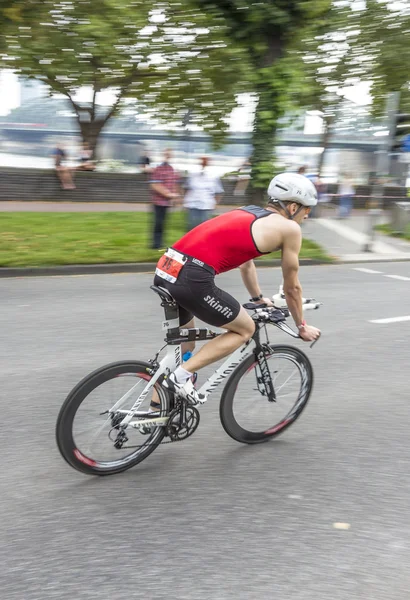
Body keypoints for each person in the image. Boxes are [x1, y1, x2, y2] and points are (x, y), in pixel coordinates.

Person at [151, 172, 321, 409]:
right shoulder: (289, 228)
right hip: (192, 276)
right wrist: (301, 326)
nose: (307, 214)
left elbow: (246, 262)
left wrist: (258, 299)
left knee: (185, 345)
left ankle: (153, 414)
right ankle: (178, 380)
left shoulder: (247, 211)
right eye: (306, 209)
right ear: (293, 206)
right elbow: (292, 287)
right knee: (245, 329)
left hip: (167, 266)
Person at [149, 148, 181, 250]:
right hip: (158, 201)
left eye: (169, 154)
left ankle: (160, 243)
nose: (168, 156)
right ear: (163, 155)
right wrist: (169, 194)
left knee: (163, 223)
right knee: (158, 223)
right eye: (166, 154)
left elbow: (174, 184)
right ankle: (155, 244)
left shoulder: (172, 169)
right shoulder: (158, 168)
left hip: (167, 202)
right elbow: (154, 184)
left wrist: (175, 197)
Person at [183, 156, 224, 230]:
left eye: (205, 161)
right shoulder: (192, 174)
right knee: (191, 226)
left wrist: (215, 204)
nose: (203, 163)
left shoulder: (214, 176)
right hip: (193, 204)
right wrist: (186, 200)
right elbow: (186, 188)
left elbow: (218, 192)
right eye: (202, 161)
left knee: (205, 227)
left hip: (206, 204)